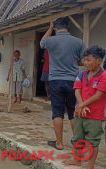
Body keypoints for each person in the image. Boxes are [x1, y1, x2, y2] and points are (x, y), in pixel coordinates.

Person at [40, 17, 84, 150]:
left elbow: (42, 44)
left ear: (56, 28)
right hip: (73, 81)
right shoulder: (78, 42)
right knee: (72, 112)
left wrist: (49, 28)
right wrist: (73, 62)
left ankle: (59, 143)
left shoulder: (51, 41)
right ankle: (78, 143)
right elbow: (83, 61)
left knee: (57, 112)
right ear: (68, 27)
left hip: (55, 80)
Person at [62, 46, 106, 169]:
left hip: (95, 115)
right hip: (80, 113)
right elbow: (77, 90)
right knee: (77, 138)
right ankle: (77, 160)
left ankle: (90, 165)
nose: (85, 63)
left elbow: (99, 95)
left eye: (89, 60)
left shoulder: (104, 76)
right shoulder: (81, 74)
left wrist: (81, 105)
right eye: (84, 60)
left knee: (93, 141)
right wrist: (81, 105)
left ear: (99, 60)